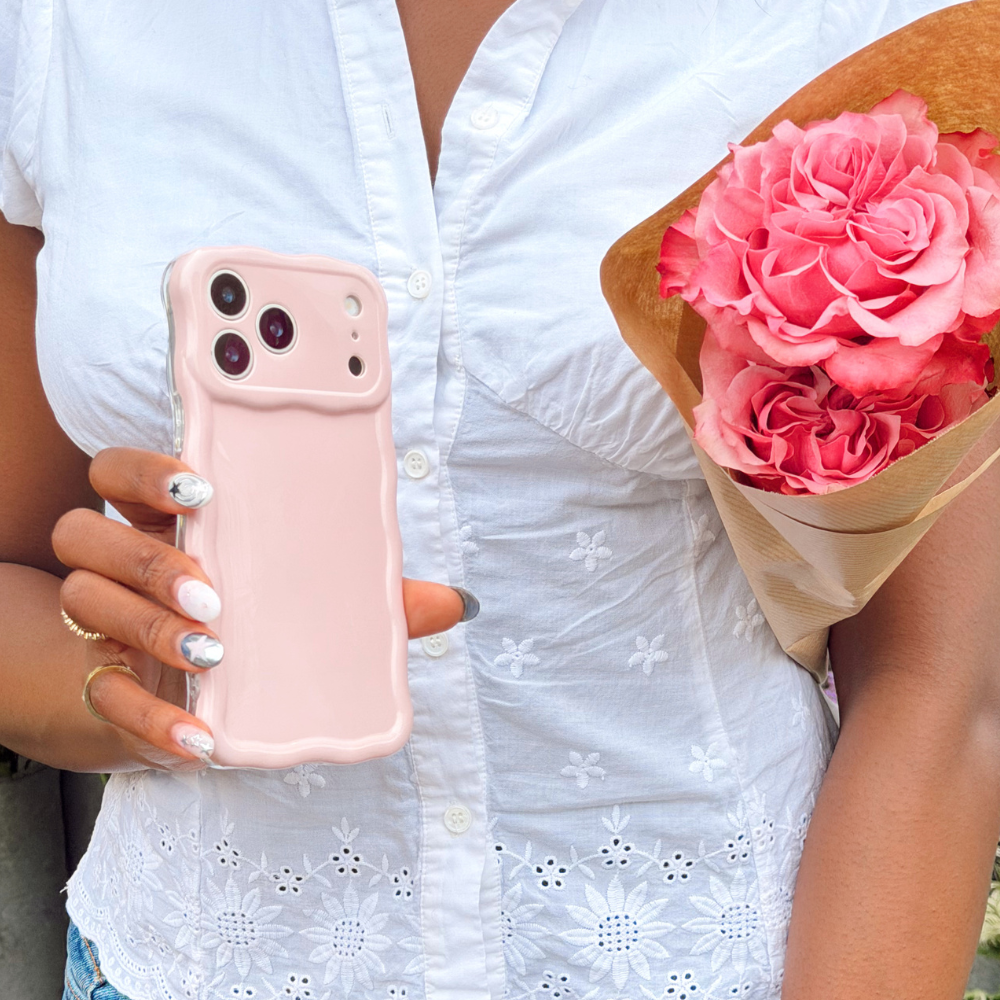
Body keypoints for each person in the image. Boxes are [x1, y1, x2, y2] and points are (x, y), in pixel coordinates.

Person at [1, 1, 998, 998]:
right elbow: (17, 572)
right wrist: (130, 690)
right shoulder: (58, 25)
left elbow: (938, 686)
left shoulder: (871, 20)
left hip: (709, 960)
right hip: (185, 957)